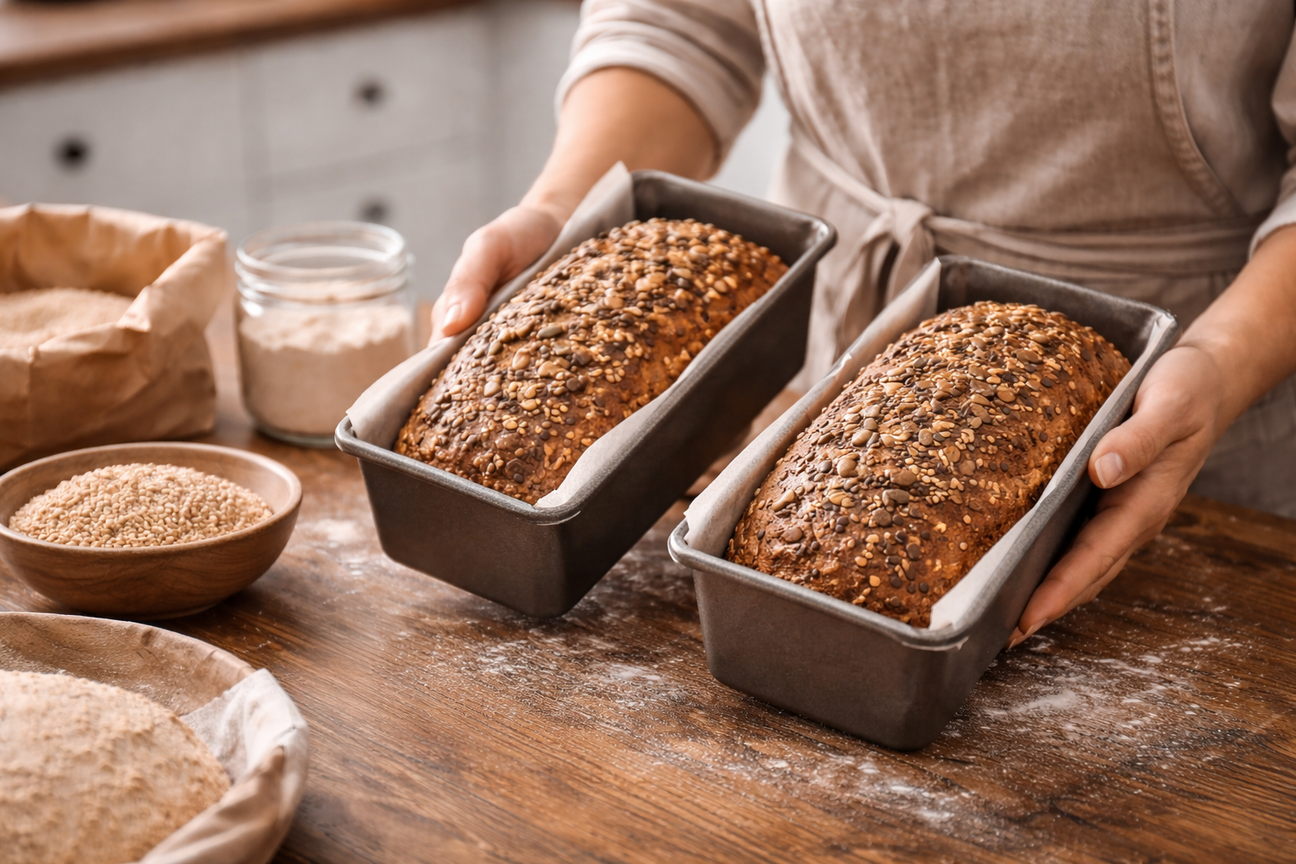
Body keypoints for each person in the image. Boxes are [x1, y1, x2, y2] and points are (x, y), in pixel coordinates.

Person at [431, 1, 1296, 646]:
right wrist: (568, 212)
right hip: (838, 352)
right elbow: (682, 23)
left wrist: (1219, 359)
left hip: (1203, 385)